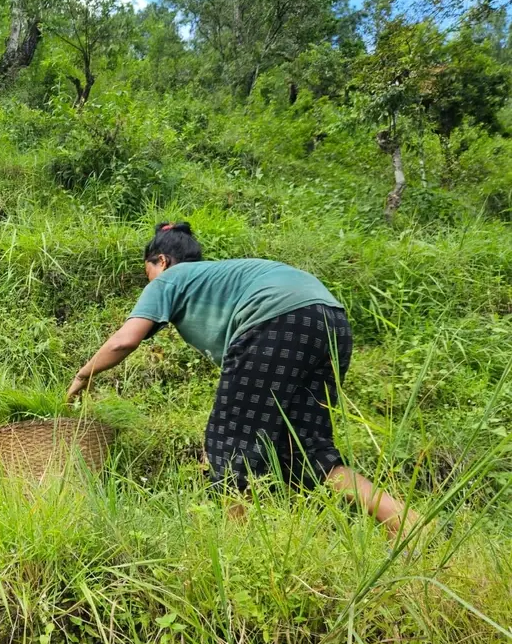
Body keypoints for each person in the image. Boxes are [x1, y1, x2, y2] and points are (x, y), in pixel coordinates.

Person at [67, 222, 420, 539]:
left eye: (148, 272)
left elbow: (124, 340)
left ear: (161, 261)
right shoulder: (224, 276)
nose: (150, 281)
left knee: (229, 444)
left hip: (275, 322)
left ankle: (236, 546)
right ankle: (410, 525)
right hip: (330, 321)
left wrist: (83, 375)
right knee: (309, 453)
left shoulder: (172, 278)